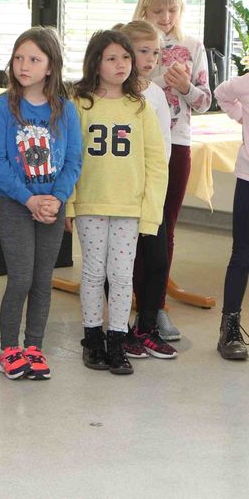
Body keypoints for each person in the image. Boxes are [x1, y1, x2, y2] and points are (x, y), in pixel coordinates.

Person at [0, 28, 82, 380]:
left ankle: (34, 347)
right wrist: (28, 199)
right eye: (18, 58)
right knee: (21, 278)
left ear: (50, 67)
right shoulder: (3, 106)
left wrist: (57, 198)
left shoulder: (65, 110)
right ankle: (9, 349)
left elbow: (73, 160)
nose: (24, 66)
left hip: (52, 208)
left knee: (42, 280)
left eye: (34, 59)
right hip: (16, 206)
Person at [68, 31, 167, 376]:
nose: (121, 64)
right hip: (91, 204)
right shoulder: (79, 105)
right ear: (95, 63)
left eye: (125, 57)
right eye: (111, 58)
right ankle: (93, 338)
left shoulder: (139, 107)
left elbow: (156, 164)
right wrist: (69, 205)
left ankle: (117, 340)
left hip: (129, 208)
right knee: (93, 273)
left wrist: (151, 213)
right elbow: (70, 159)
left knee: (122, 276)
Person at [135, 0, 212, 341]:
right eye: (157, 11)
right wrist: (159, 79)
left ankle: (157, 306)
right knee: (134, 223)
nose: (165, 18)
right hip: (136, 144)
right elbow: (121, 86)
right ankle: (132, 296)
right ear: (143, 9)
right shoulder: (134, 43)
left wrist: (185, 87)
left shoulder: (193, 46)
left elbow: (205, 101)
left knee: (165, 225)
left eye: (172, 10)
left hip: (177, 143)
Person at [111, 21, 177, 360]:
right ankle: (117, 329)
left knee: (156, 260)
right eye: (143, 51)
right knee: (117, 264)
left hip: (149, 193)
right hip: (117, 196)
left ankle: (146, 327)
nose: (151, 59)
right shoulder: (110, 95)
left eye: (156, 52)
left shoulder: (156, 95)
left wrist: (154, 189)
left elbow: (163, 147)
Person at [213, 71, 249, 360]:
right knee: (242, 254)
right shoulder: (245, 82)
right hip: (248, 179)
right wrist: (241, 116)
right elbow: (221, 94)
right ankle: (229, 329)